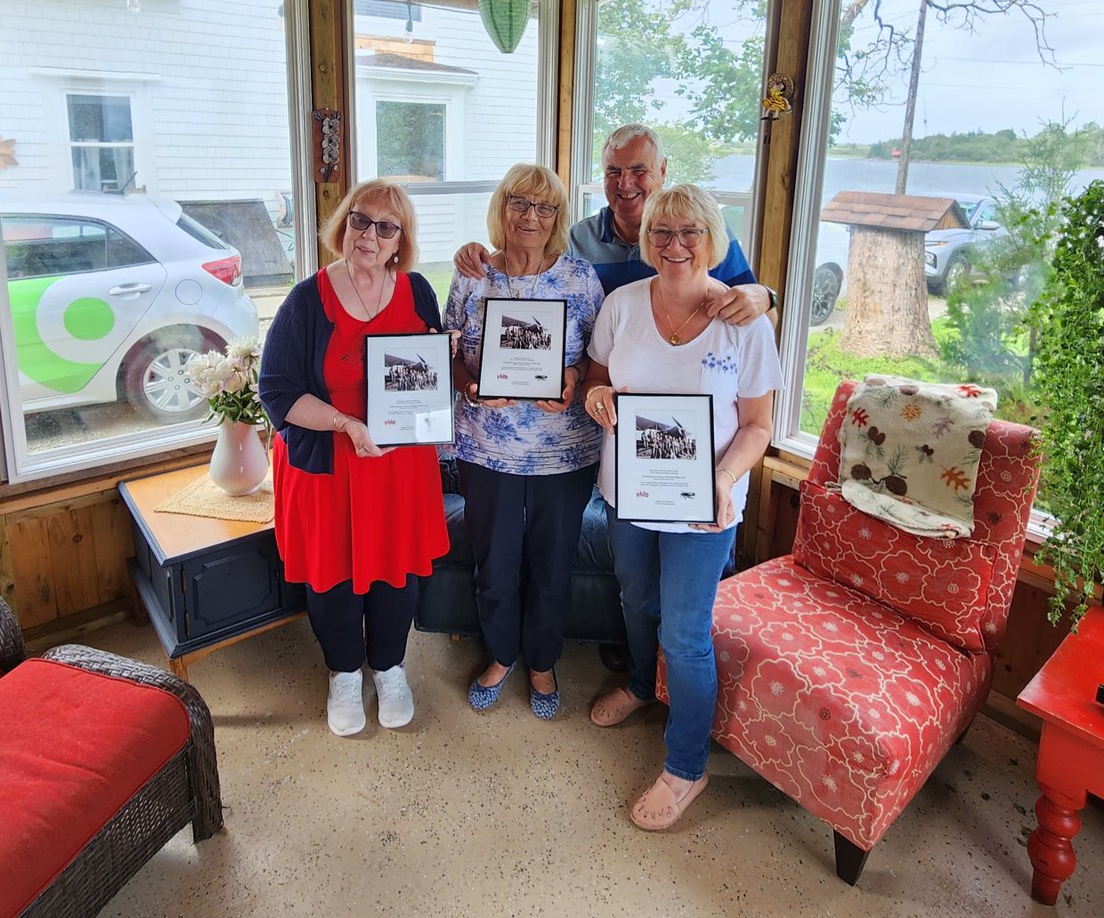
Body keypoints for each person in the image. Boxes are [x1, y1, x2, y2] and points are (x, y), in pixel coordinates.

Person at [581, 183, 783, 830]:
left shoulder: (744, 323)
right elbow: (595, 376)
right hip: (628, 494)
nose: (675, 245)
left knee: (686, 634)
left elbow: (758, 426)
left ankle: (686, 765)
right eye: (662, 233)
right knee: (635, 601)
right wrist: (596, 397)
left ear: (713, 241)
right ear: (647, 241)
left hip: (706, 506)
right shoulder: (620, 306)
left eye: (689, 233)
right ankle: (643, 685)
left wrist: (725, 478)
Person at [260, 179, 451, 738]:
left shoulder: (417, 292)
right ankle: (344, 672)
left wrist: (446, 358)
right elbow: (275, 390)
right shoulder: (305, 299)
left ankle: (390, 666)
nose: (369, 235)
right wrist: (346, 423)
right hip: (329, 460)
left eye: (385, 227)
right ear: (343, 224)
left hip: (399, 467)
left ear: (401, 240)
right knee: (331, 575)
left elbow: (426, 369)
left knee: (399, 572)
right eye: (359, 221)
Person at [444, 163, 604, 719]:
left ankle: (542, 660)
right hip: (487, 447)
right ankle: (502, 655)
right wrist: (469, 385)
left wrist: (574, 377)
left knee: (553, 564)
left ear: (558, 217)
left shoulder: (581, 278)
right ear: (501, 207)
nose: (530, 217)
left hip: (566, 450)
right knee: (496, 562)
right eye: (518, 202)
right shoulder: (471, 274)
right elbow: (446, 350)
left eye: (544, 207)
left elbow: (597, 358)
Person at [453, 124, 776, 325]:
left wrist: (766, 297)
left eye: (639, 171)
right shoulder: (576, 242)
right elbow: (522, 265)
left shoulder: (702, 236)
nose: (625, 184)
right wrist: (475, 252)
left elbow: (764, 318)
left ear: (662, 171)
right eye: (613, 172)